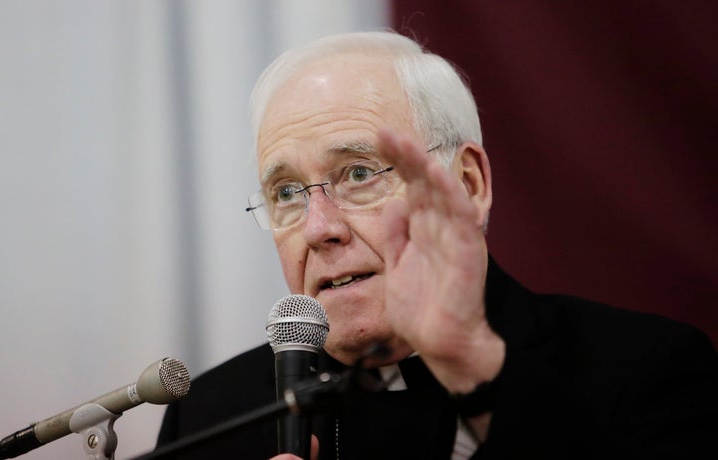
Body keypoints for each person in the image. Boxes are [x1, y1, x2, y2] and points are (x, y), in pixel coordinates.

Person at [155, 30, 718, 459]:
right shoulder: (207, 418)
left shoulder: (645, 373)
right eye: (286, 192)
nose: (318, 227)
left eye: (357, 174)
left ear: (468, 186)